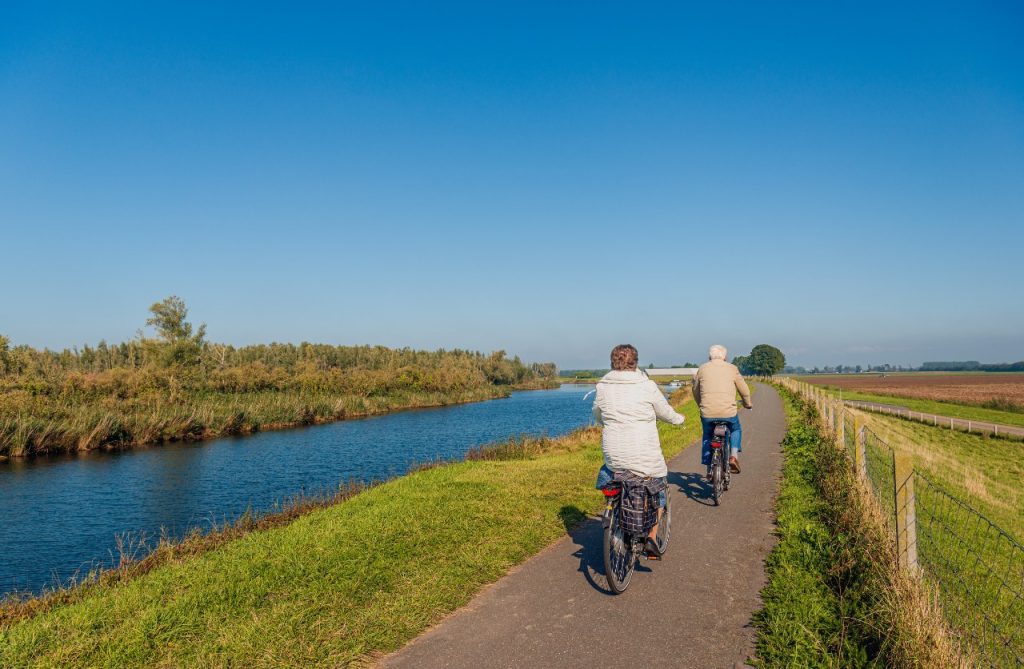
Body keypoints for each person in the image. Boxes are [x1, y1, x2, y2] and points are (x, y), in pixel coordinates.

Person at [593, 344, 686, 557]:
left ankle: (615, 512)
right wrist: (680, 420)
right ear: (635, 362)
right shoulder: (646, 386)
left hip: (614, 454)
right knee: (659, 486)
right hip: (644, 455)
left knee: (613, 473)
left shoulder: (603, 386)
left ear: (612, 362)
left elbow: (598, 415)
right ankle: (652, 537)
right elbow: (665, 412)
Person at [693, 344, 752, 479]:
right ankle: (733, 456)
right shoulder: (732, 369)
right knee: (736, 429)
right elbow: (744, 390)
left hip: (707, 413)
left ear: (710, 356)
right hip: (728, 413)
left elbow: (695, 390)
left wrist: (700, 404)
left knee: (708, 435)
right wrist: (748, 403)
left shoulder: (702, 369)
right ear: (725, 357)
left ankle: (709, 467)